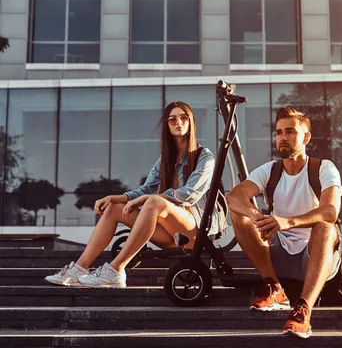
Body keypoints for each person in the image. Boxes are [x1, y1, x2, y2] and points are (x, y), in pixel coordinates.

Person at [45, 101, 221, 288]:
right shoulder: (165, 160)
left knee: (154, 200)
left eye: (184, 118)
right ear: (166, 126)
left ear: (191, 122)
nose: (179, 122)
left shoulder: (204, 156)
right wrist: (117, 198)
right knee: (114, 208)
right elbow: (145, 190)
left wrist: (150, 199)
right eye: (172, 119)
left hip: (194, 232)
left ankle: (115, 270)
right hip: (168, 235)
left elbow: (190, 194)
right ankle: (79, 269)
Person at [226, 107, 342, 340]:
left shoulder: (323, 168)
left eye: (290, 131)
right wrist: (259, 218)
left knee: (326, 225)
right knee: (239, 213)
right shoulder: (270, 170)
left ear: (306, 137)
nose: (283, 137)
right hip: (278, 255)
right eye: (279, 132)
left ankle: (303, 309)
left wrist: (288, 222)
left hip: (315, 258)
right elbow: (234, 197)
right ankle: (275, 288)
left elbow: (330, 211)